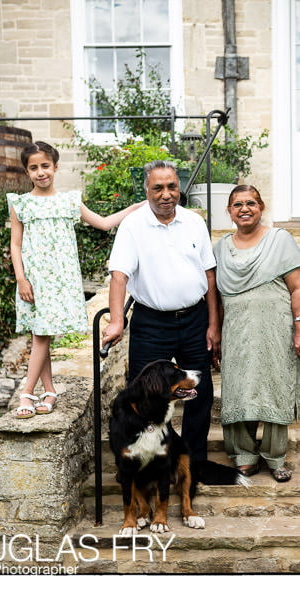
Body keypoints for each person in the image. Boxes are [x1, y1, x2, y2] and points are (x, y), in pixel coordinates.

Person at [9, 141, 143, 419]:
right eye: (33, 168)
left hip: (61, 279)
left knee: (41, 335)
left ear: (55, 167)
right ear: (26, 171)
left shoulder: (69, 200)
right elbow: (16, 245)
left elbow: (104, 223)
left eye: (45, 166)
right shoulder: (21, 203)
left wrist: (135, 207)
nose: (40, 172)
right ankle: (34, 392)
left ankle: (43, 392)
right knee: (40, 335)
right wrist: (21, 279)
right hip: (35, 280)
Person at [101, 159, 220, 461]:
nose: (166, 194)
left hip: (195, 320)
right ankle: (149, 462)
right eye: (158, 188)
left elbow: (209, 276)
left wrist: (214, 325)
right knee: (143, 397)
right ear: (147, 190)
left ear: (179, 188)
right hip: (151, 324)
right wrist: (117, 321)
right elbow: (119, 276)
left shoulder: (194, 222)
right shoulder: (133, 225)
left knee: (200, 395)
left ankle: (192, 463)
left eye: (172, 187)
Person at [213, 186, 300, 482]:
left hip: (276, 328)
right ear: (229, 211)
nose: (244, 208)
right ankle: (242, 455)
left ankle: (275, 456)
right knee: (238, 389)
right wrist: (214, 332)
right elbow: (214, 296)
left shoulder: (280, 240)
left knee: (275, 386)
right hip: (237, 330)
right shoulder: (219, 248)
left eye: (251, 203)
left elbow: (299, 287)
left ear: (261, 206)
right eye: (237, 204)